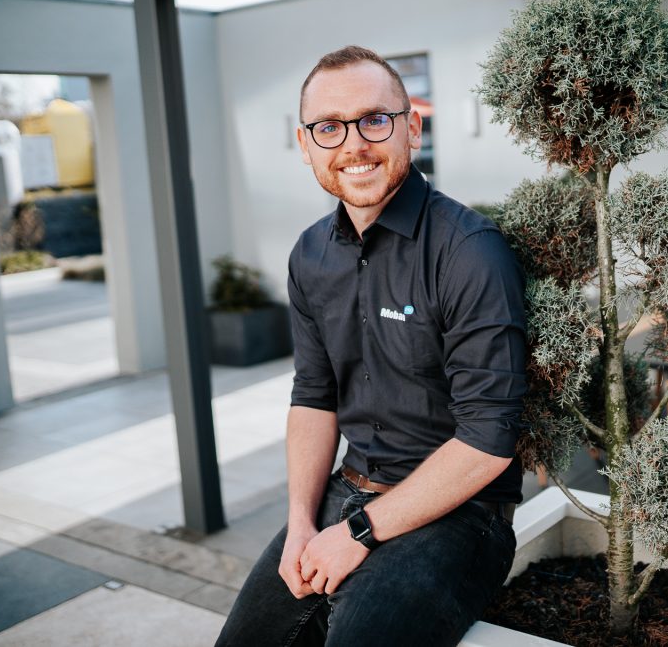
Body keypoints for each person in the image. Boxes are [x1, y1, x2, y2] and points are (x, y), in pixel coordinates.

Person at [214, 45, 527, 647]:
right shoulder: (309, 254)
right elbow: (313, 396)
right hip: (347, 492)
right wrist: (302, 523)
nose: (353, 145)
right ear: (306, 146)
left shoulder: (469, 250)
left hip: (461, 518)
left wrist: (359, 533)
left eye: (374, 120)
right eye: (329, 128)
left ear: (411, 127)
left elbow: (490, 439)